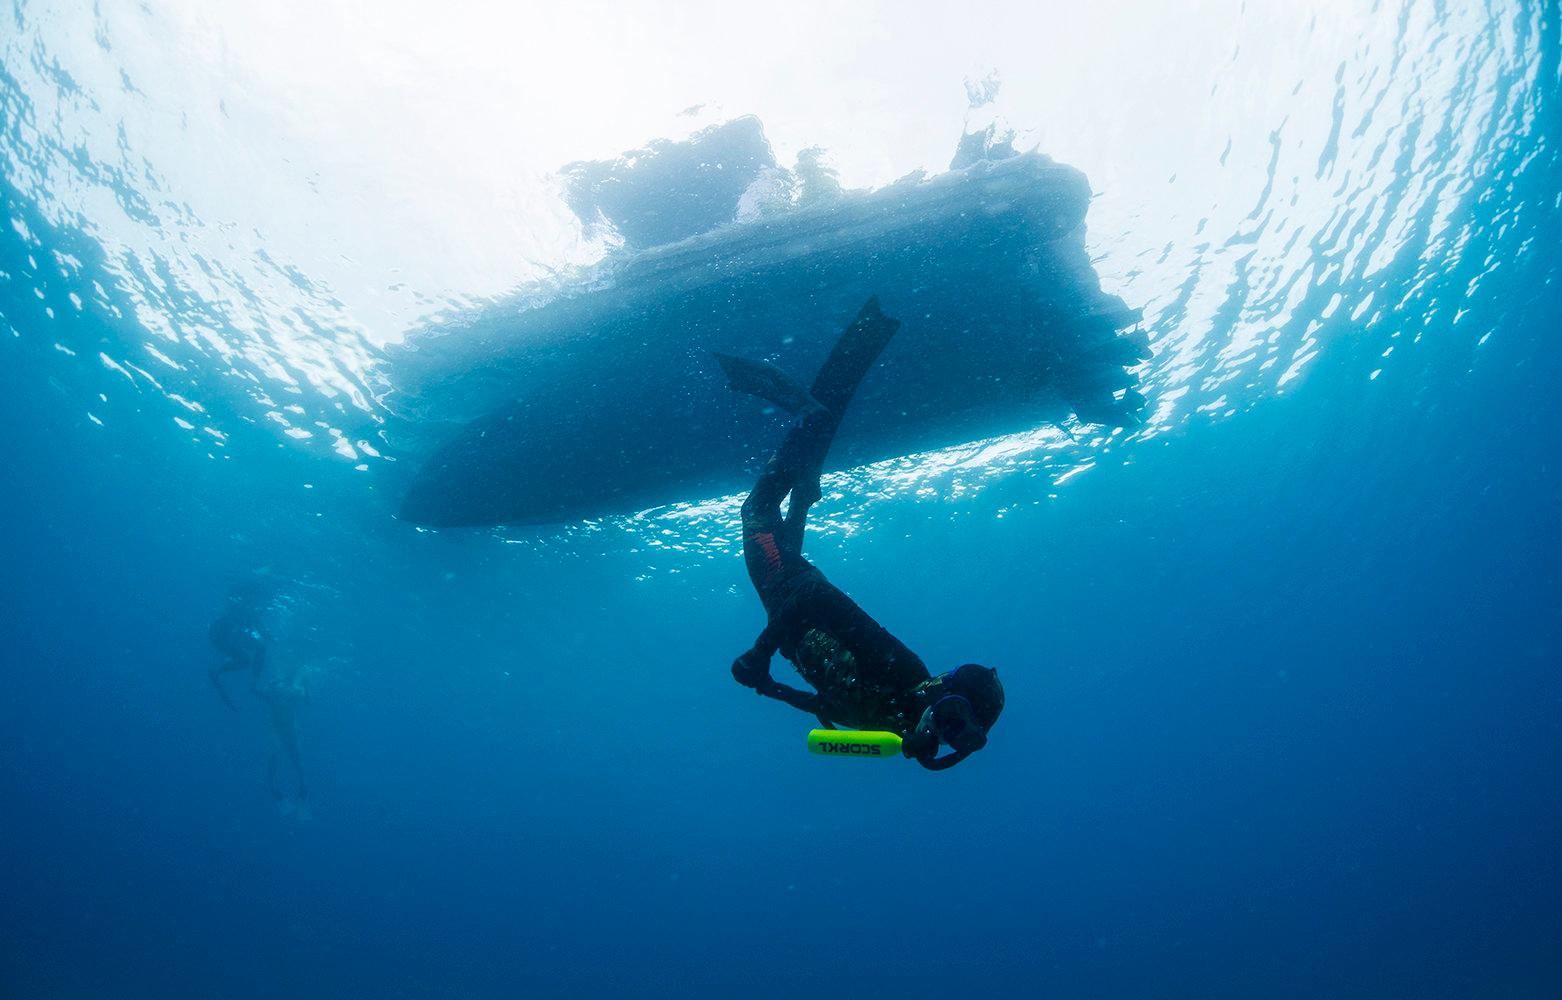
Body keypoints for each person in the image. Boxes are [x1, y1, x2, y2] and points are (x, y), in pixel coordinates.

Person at [718, 298, 1005, 770]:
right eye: (953, 716)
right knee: (757, 510)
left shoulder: (891, 730)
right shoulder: (903, 670)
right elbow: (811, 595)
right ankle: (812, 417)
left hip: (785, 600)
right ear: (941, 691)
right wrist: (760, 654)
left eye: (961, 736)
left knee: (777, 519)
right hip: (785, 588)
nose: (945, 729)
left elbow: (827, 709)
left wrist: (768, 687)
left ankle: (805, 485)